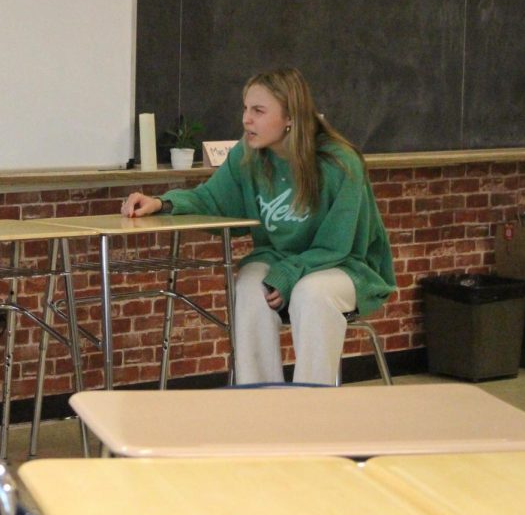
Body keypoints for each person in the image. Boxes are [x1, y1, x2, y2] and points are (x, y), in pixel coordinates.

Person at [121, 67, 396, 384]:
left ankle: (314, 410)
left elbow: (337, 245)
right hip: (281, 258)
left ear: (290, 117)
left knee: (311, 292)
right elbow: (213, 199)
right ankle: (260, 402)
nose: (246, 119)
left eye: (258, 111)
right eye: (246, 108)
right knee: (250, 285)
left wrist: (291, 272)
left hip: (348, 264)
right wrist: (163, 203)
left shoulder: (340, 163)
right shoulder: (248, 153)